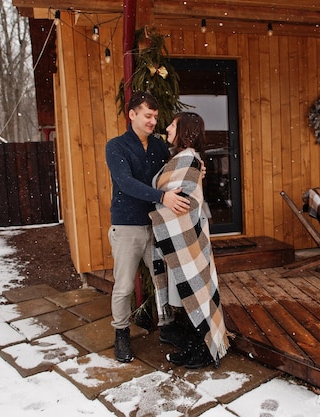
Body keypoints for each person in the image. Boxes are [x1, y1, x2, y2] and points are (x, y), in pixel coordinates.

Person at [105, 91, 192, 363]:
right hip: (127, 227)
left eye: (155, 116)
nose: (153, 121)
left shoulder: (157, 147)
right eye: (147, 116)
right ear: (132, 115)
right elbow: (125, 182)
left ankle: (167, 328)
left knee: (163, 280)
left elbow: (173, 171)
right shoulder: (116, 146)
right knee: (123, 286)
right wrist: (161, 197)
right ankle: (121, 334)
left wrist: (195, 169)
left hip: (157, 226)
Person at [149, 112, 230, 369]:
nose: (167, 128)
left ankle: (204, 351)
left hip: (187, 239)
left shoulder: (188, 159)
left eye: (172, 125)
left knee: (196, 293)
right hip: (180, 239)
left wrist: (159, 198)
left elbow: (184, 199)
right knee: (189, 294)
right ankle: (195, 346)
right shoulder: (184, 158)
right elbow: (169, 194)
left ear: (184, 129)